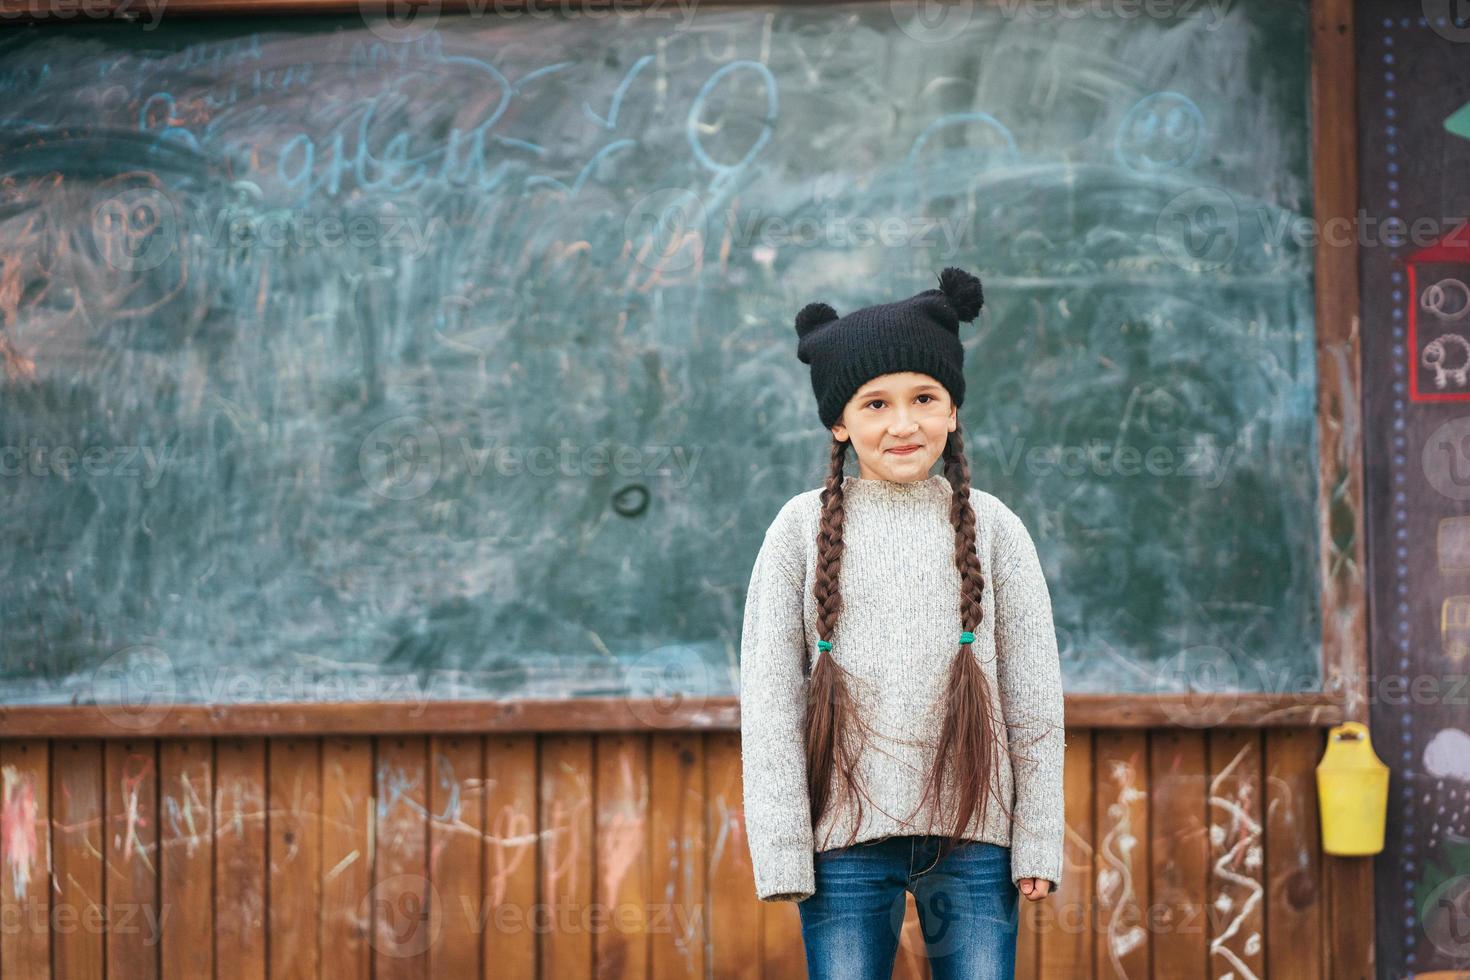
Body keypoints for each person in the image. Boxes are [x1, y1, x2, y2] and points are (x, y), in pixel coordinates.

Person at [738, 267, 1066, 980]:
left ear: (953, 410)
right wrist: (783, 848)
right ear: (839, 421)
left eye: (925, 397)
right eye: (875, 403)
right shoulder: (798, 532)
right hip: (843, 844)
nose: (903, 422)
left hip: (977, 837)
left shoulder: (996, 530)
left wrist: (1036, 838)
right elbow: (769, 703)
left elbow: (1034, 697)